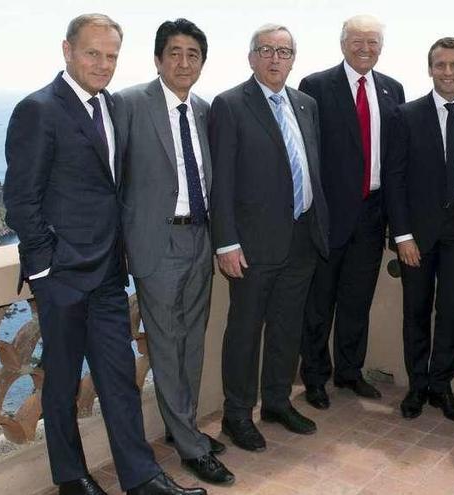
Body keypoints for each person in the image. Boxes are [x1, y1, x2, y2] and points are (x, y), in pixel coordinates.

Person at [3, 13, 204, 495]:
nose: (103, 63)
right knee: (63, 383)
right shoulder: (39, 109)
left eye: (111, 55)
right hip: (64, 276)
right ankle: (72, 477)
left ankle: (142, 478)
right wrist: (46, 266)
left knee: (119, 381)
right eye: (93, 53)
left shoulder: (112, 107)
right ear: (67, 50)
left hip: (110, 274)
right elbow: (21, 199)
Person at [114, 19, 234, 486]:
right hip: (156, 243)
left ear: (202, 63)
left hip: (200, 239)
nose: (184, 63)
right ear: (159, 59)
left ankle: (179, 425)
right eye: (175, 53)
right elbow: (112, 176)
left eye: (193, 55)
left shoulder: (205, 110)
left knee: (191, 341)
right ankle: (190, 446)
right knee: (166, 344)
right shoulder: (128, 105)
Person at [209, 23, 330, 453]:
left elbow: (312, 167)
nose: (275, 58)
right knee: (245, 331)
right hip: (253, 245)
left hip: (302, 238)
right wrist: (226, 242)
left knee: (286, 327)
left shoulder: (306, 104)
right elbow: (220, 181)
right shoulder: (229, 105)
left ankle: (277, 401)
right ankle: (236, 415)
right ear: (251, 57)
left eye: (284, 51)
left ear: (293, 58)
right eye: (266, 50)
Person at [384, 37, 454, 424]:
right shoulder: (405, 114)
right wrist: (402, 236)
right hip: (417, 234)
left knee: (451, 311)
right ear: (430, 68)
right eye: (441, 65)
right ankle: (417, 386)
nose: (448, 72)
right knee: (415, 311)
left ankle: (441, 386)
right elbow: (393, 179)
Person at [297, 14, 405, 410]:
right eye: (358, 41)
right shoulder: (316, 86)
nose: (365, 49)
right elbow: (308, 154)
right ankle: (313, 377)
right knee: (319, 301)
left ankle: (349, 371)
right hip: (329, 214)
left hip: (373, 214)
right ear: (343, 44)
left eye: (373, 42)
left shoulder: (393, 89)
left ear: (381, 47)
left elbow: (396, 158)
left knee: (357, 300)